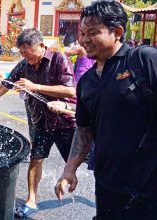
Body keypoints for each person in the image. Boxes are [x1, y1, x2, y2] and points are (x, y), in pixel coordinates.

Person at [55, 1, 157, 219]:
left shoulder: (143, 60)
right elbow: (84, 130)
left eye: (93, 32)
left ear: (117, 32)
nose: (84, 40)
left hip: (149, 187)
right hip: (108, 184)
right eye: (82, 33)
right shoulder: (87, 82)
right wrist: (69, 170)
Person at [0, 28, 76, 218]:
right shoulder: (24, 65)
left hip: (63, 122)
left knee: (76, 160)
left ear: (41, 46)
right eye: (22, 53)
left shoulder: (59, 60)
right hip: (40, 122)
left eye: (28, 51)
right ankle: (31, 200)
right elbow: (4, 86)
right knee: (36, 158)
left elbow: (70, 91)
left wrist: (36, 87)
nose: (25, 56)